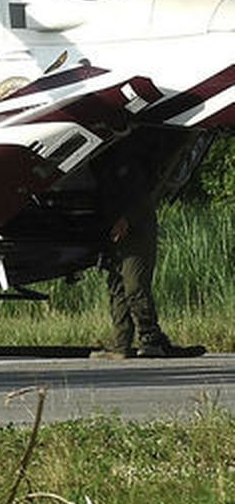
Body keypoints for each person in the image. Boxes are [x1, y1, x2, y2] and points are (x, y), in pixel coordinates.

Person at [90, 143, 205, 360]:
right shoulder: (101, 165)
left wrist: (126, 220)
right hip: (116, 231)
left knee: (134, 286)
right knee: (117, 287)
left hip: (137, 231)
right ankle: (121, 344)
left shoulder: (124, 164)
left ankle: (150, 338)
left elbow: (142, 199)